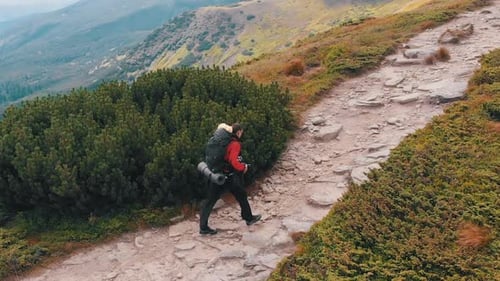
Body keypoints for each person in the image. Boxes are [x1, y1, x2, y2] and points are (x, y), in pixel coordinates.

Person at [199, 123, 261, 235]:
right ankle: (248, 218)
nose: (242, 134)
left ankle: (203, 227)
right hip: (229, 177)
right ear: (238, 132)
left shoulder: (219, 141)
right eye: (241, 132)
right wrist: (244, 167)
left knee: (210, 201)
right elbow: (234, 161)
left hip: (216, 175)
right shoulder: (234, 144)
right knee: (241, 195)